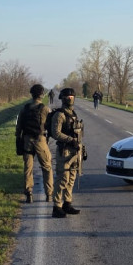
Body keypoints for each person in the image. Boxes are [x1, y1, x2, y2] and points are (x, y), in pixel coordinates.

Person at [49, 87, 85, 218]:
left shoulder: (73, 114)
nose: (70, 99)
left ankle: (67, 203)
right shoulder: (59, 115)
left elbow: (78, 133)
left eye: (72, 97)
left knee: (71, 179)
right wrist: (70, 140)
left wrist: (81, 149)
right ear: (62, 99)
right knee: (62, 179)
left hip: (75, 151)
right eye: (67, 97)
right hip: (64, 151)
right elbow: (56, 133)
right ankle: (57, 206)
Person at [15, 84, 53, 204]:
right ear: (41, 95)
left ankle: (29, 194)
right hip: (40, 140)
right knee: (47, 167)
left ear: (31, 94)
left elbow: (18, 127)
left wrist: (19, 139)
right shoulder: (45, 109)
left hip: (27, 141)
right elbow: (50, 126)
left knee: (28, 168)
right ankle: (49, 194)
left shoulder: (24, 108)